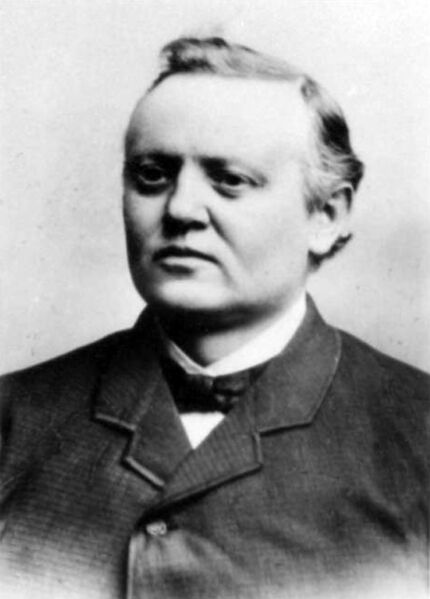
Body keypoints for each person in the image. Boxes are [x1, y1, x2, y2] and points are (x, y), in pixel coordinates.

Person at [0, 37, 428, 599]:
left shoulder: (418, 434)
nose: (180, 209)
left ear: (326, 214)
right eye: (152, 174)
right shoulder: (11, 421)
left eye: (230, 179)